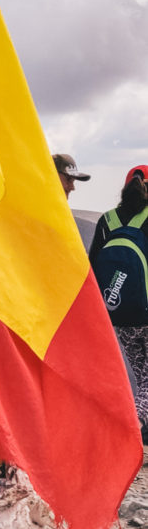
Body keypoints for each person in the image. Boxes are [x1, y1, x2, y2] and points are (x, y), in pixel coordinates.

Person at [89, 165, 148, 442]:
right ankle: (135, 427)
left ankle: (129, 425)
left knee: (136, 374)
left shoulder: (107, 220)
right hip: (146, 313)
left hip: (117, 313)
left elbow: (93, 266)